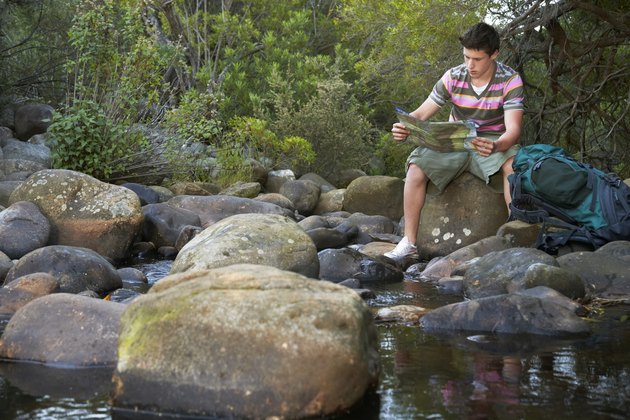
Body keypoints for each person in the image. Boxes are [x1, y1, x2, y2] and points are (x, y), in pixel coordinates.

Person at [385, 22, 525, 259]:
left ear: (494, 54)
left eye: (477, 59)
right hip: (456, 137)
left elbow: (513, 130)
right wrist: (406, 126)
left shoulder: (510, 80)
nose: (470, 65)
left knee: (513, 166)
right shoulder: (453, 76)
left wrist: (497, 145)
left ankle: (514, 239)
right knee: (416, 168)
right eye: (466, 57)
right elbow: (421, 114)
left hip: (493, 140)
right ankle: (409, 243)